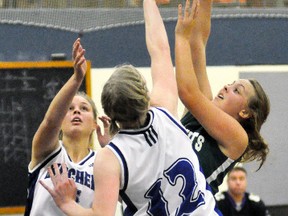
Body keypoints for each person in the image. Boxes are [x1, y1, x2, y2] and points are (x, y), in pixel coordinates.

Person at [40, 0, 222, 215]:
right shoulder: (164, 112)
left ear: (109, 114)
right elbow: (160, 49)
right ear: (145, 96)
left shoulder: (110, 157)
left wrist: (67, 203)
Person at [176, 0, 270, 194]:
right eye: (231, 84)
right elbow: (198, 44)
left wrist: (180, 37)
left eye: (237, 90)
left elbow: (187, 92)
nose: (227, 87)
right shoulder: (201, 108)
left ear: (244, 112)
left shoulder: (237, 137)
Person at [24, 38, 110, 216]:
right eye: (70, 109)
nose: (76, 112)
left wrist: (112, 150)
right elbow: (50, 122)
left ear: (95, 124)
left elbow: (131, 193)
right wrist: (77, 78)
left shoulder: (102, 163)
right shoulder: (47, 153)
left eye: (84, 108)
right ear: (61, 122)